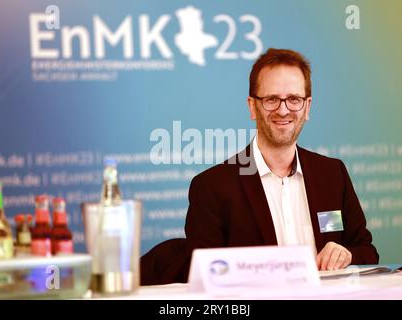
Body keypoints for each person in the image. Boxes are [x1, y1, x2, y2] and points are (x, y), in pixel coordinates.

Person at [141, 48, 379, 285]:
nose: (283, 109)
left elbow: (366, 250)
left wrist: (348, 254)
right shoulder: (212, 187)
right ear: (252, 107)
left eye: (294, 99)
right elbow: (205, 278)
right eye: (271, 99)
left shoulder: (332, 174)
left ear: (307, 108)